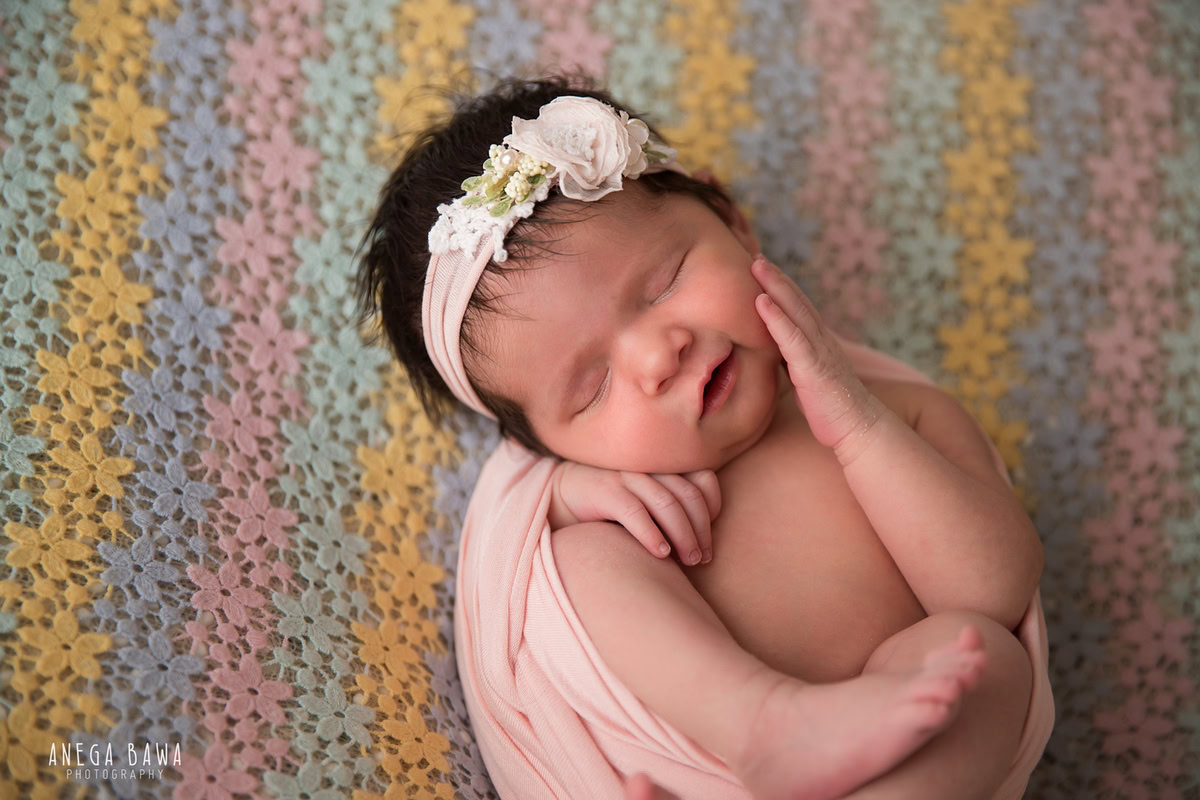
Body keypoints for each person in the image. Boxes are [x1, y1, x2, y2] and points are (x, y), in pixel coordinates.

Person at [355, 73, 1052, 799]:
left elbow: (995, 592)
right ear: (542, 446)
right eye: (590, 389)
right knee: (584, 555)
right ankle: (763, 724)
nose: (658, 357)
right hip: (716, 770)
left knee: (981, 662)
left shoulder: (901, 416)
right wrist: (564, 498)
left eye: (663, 284)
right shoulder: (624, 503)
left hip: (909, 755)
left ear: (732, 220)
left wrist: (856, 423)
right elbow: (521, 580)